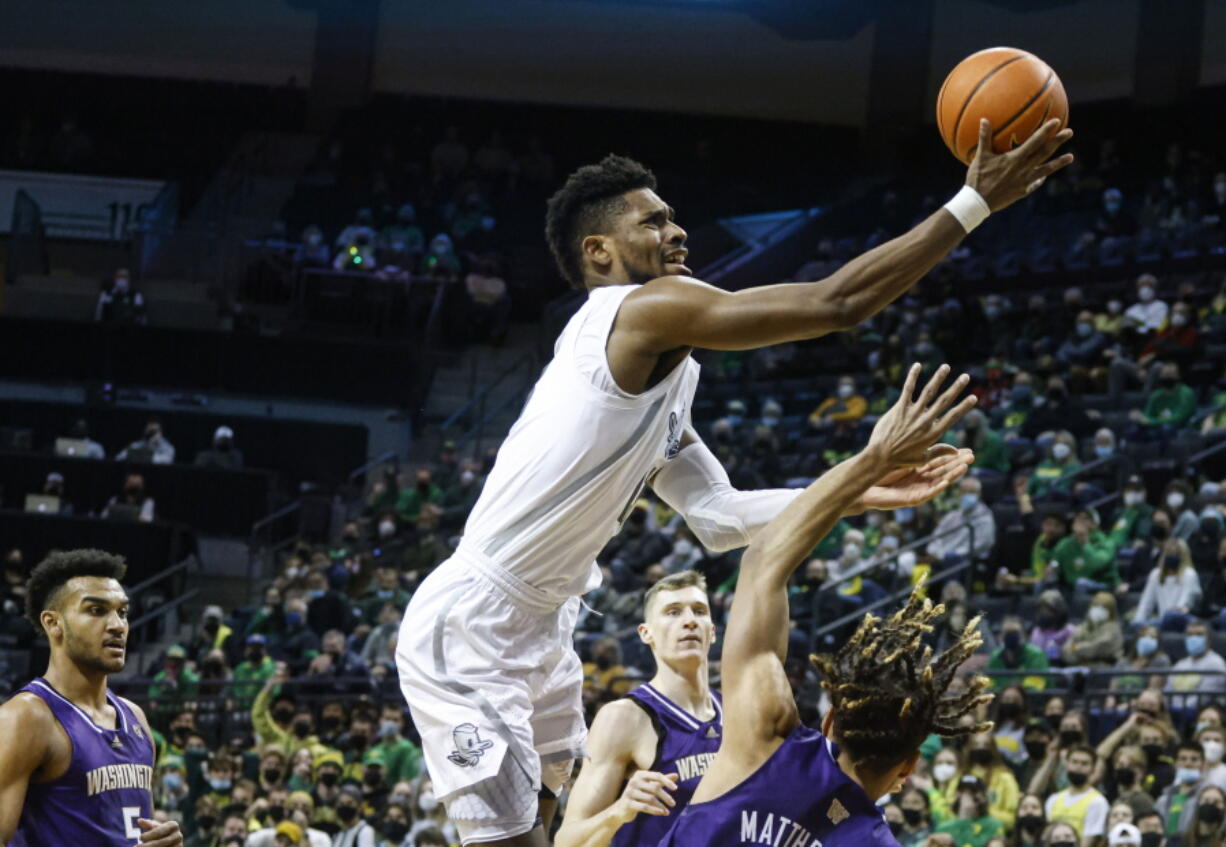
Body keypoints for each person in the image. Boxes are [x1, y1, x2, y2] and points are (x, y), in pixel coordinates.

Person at [398, 116, 1070, 846]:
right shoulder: (637, 312)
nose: (677, 231)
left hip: (546, 622)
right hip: (475, 620)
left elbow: (716, 514)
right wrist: (970, 204)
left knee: (553, 831)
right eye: (653, 222)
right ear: (600, 251)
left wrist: (854, 490)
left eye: (674, 216)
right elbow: (835, 303)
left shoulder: (666, 367)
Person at [657, 364, 981, 845]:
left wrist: (870, 466)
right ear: (910, 767)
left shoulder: (764, 733)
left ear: (830, 719)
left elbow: (763, 559)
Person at [0, 549, 182, 845]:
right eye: (97, 611)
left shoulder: (135, 717)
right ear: (52, 623)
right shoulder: (27, 717)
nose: (117, 625)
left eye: (122, 612)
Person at [556, 570, 721, 847]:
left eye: (699, 611)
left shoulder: (738, 712)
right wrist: (619, 811)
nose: (690, 621)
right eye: (673, 612)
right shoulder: (624, 717)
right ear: (646, 633)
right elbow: (566, 842)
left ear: (712, 632)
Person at [1043, 745, 1110, 846]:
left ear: (1093, 768)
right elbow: (1047, 836)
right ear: (1066, 764)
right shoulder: (1053, 799)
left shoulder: (1098, 801)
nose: (1078, 767)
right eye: (1074, 762)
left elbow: (1088, 842)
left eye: (1084, 763)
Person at [927, 476, 997, 562]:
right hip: (939, 559)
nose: (967, 495)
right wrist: (934, 551)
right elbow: (937, 536)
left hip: (967, 563)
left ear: (979, 494)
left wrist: (946, 555)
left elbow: (981, 544)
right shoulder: (953, 515)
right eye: (964, 492)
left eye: (971, 492)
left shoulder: (985, 517)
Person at [1155, 742, 1207, 837]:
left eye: (1194, 759)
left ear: (1203, 764)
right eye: (1183, 759)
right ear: (1175, 764)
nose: (1188, 763)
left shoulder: (1208, 797)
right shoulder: (1163, 799)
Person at [938, 774, 1006, 847]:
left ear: (982, 796)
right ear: (957, 794)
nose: (967, 796)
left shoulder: (993, 825)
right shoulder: (944, 827)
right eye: (963, 791)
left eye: (973, 792)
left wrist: (966, 819)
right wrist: (964, 817)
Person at [1168, 621, 1226, 707]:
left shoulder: (1216, 664)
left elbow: (1204, 697)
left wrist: (1181, 709)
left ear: (1208, 639)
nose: (1193, 638)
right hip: (1174, 711)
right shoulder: (1181, 663)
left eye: (1199, 634)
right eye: (1190, 635)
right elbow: (1168, 689)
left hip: (1200, 712)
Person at [1061, 592, 1124, 667]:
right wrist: (1075, 655)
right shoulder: (1084, 626)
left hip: (1103, 669)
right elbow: (1066, 648)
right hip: (1078, 667)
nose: (1098, 611)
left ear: (1110, 611)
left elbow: (1095, 648)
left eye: (1103, 608)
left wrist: (1075, 648)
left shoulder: (1112, 628)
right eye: (1096, 606)